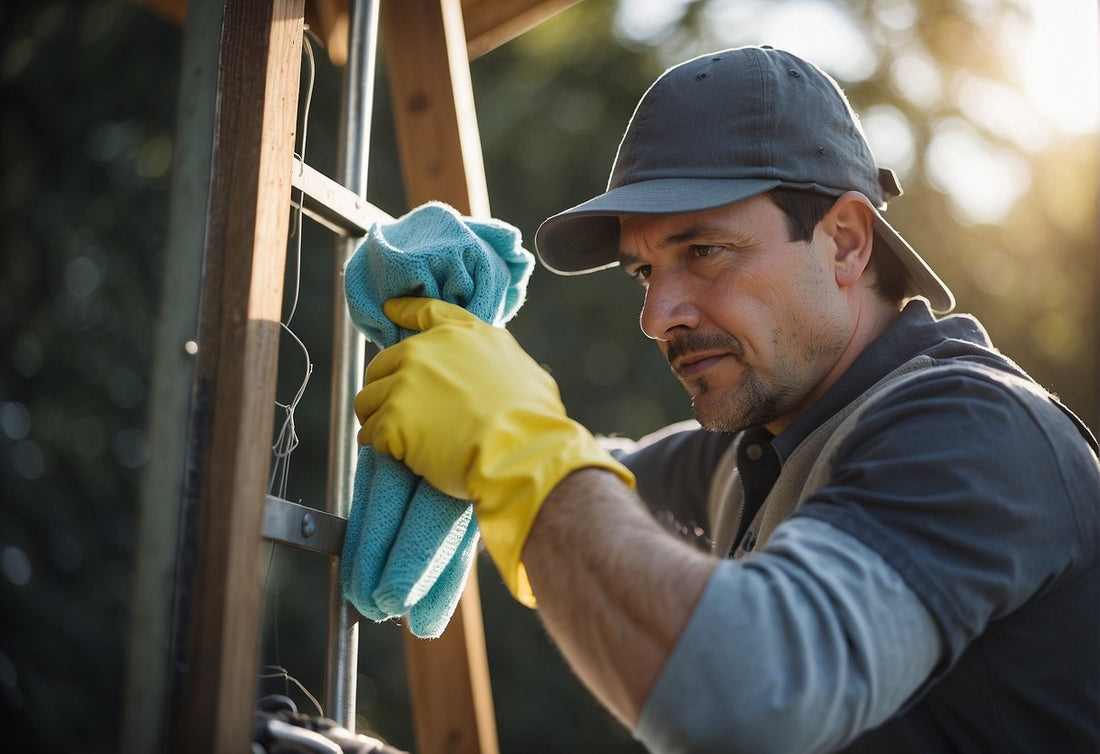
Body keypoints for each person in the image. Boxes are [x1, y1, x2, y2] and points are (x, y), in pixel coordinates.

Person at [355, 46, 1099, 753]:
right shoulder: (754, 450)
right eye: (644, 273)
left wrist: (516, 451)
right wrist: (473, 426)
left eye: (703, 252)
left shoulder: (977, 430)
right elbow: (596, 515)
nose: (656, 318)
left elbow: (747, 703)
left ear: (844, 242)